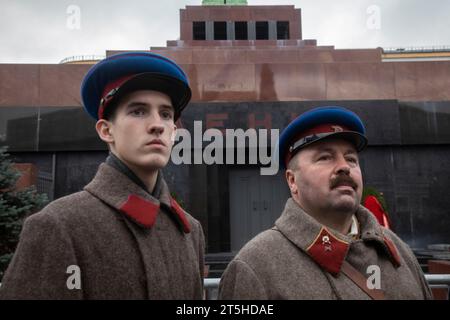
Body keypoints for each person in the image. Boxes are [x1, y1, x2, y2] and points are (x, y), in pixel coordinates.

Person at [0, 52, 205, 299]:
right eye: (138, 111)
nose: (157, 124)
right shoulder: (58, 226)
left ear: (174, 131)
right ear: (106, 130)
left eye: (166, 114)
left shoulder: (190, 231)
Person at [218, 106, 432, 300]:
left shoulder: (398, 251)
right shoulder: (256, 266)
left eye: (351, 159)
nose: (344, 167)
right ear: (292, 181)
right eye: (325, 158)